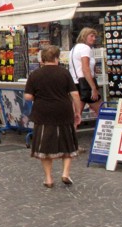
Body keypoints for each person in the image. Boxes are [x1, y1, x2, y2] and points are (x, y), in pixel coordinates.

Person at [24, 45, 82, 188]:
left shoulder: (35, 74)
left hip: (43, 113)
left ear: (43, 59)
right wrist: (77, 112)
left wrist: (39, 95)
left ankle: (49, 178)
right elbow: (75, 94)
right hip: (63, 111)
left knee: (44, 146)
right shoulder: (64, 73)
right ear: (56, 58)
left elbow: (28, 97)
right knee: (68, 142)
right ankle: (65, 173)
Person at [69, 27, 103, 121]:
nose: (94, 39)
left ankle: (70, 130)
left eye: (95, 36)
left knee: (76, 114)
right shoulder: (85, 48)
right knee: (101, 111)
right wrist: (93, 88)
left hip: (76, 83)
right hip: (86, 83)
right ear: (84, 36)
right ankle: (106, 129)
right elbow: (85, 69)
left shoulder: (74, 48)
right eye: (91, 36)